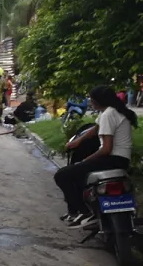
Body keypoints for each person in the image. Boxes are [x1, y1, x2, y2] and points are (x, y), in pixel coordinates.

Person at [53, 86, 137, 228]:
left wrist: (85, 160)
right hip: (122, 160)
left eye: (92, 99)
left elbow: (106, 149)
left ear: (99, 101)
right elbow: (96, 129)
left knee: (62, 176)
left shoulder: (107, 115)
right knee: (79, 175)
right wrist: (78, 140)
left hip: (111, 159)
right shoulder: (113, 111)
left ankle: (84, 211)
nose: (90, 102)